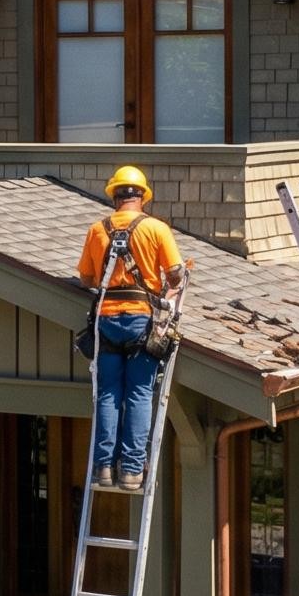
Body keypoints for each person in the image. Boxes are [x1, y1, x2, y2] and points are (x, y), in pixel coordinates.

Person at [75, 165, 189, 493]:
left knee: (109, 393)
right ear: (142, 196)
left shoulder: (97, 230)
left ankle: (104, 468)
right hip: (141, 320)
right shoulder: (156, 228)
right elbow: (176, 275)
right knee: (139, 393)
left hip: (106, 321)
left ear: (114, 196)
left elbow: (86, 278)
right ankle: (132, 471)